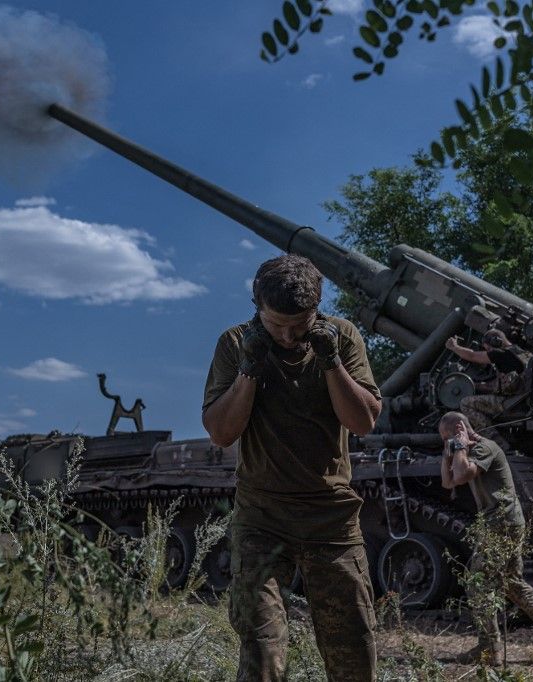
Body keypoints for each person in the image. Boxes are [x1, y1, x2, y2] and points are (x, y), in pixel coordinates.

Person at [202, 254, 382, 682]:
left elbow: (363, 421)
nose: (286, 336)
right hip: (262, 519)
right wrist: (248, 370)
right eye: (275, 324)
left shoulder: (342, 336)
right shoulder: (235, 342)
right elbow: (221, 433)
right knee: (263, 652)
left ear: (317, 311)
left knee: (353, 652)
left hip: (332, 520)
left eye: (299, 326)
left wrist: (332, 362)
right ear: (256, 307)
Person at [437, 411, 533, 665]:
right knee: (512, 582)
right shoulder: (464, 450)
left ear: (460, 428)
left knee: (477, 584)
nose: (448, 444)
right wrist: (449, 451)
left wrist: (459, 446)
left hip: (501, 522)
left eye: (448, 438)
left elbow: (462, 475)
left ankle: (489, 650)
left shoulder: (484, 448)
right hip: (505, 522)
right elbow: (448, 482)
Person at [446, 328, 532, 431]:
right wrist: (477, 385)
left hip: (514, 402)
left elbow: (472, 355)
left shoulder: (500, 354)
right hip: (525, 397)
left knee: (465, 403)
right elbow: (500, 385)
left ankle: (491, 438)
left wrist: (454, 347)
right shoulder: (522, 353)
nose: (489, 352)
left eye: (488, 349)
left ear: (496, 341)